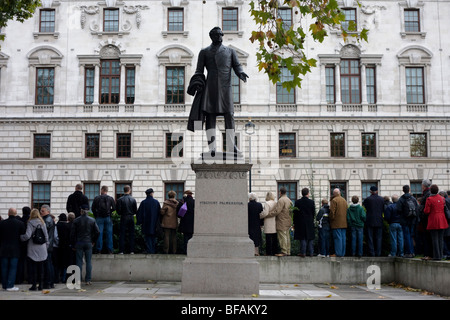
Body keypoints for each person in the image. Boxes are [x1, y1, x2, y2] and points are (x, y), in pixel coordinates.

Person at [188, 26, 248, 155]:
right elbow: (199, 70)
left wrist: (241, 73)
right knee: (210, 116)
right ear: (212, 37)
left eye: (221, 34)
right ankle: (212, 148)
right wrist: (197, 82)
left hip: (226, 88)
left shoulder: (230, 51)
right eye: (217, 35)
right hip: (210, 87)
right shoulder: (204, 52)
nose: (220, 37)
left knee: (230, 115)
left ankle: (232, 146)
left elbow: (237, 66)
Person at [70, 204, 100, 285]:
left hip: (79, 242)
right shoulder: (92, 220)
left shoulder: (76, 220)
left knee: (79, 262)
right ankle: (88, 280)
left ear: (81, 211)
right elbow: (97, 232)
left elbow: (72, 234)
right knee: (88, 261)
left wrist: (73, 244)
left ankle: (78, 280)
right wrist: (93, 241)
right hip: (88, 242)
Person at [20, 208, 49, 291]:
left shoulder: (30, 222)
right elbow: (46, 236)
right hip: (42, 247)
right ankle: (41, 285)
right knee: (41, 268)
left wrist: (21, 237)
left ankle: (34, 285)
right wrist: (46, 246)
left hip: (32, 248)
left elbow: (28, 235)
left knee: (33, 268)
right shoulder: (42, 222)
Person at [0, 208, 25, 291]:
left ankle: (4, 285)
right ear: (15, 213)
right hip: (15, 249)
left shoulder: (2, 223)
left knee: (4, 268)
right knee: (13, 268)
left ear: (8, 213)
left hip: (3, 249)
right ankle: (10, 285)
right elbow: (22, 237)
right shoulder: (20, 223)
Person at [423, 184, 449, 260]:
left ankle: (436, 256)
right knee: (441, 239)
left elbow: (426, 211)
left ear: (431, 191)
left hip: (433, 219)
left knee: (435, 239)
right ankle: (440, 255)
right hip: (442, 219)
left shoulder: (429, 199)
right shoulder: (442, 198)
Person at [266, 187, 293, 257]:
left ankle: (284, 251)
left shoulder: (281, 200)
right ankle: (288, 251)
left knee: (282, 237)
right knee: (287, 236)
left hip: (281, 221)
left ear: (280, 192)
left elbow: (277, 211)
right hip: (288, 220)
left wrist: (268, 214)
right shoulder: (289, 200)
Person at [396, 185, 419, 258]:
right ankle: (412, 252)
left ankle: (409, 252)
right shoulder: (413, 198)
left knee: (406, 236)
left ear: (403, 190)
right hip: (412, 220)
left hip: (404, 220)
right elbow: (417, 208)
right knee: (411, 236)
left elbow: (398, 210)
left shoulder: (401, 199)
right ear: (409, 190)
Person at [91, 185, 115, 254]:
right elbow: (114, 208)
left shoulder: (97, 198)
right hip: (108, 217)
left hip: (99, 217)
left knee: (99, 233)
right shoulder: (110, 198)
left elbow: (93, 208)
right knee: (109, 234)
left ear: (102, 190)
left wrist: (96, 215)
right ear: (106, 191)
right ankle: (110, 250)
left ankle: (99, 249)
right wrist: (109, 213)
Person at [137, 188, 161, 254]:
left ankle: (149, 250)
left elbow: (139, 213)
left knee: (147, 237)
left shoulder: (143, 202)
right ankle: (153, 250)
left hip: (146, 223)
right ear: (151, 193)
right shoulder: (156, 202)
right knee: (153, 237)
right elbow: (160, 213)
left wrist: (139, 222)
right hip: (154, 223)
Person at [293, 188, 316, 257]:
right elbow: (313, 212)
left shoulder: (297, 202)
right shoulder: (311, 202)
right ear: (308, 193)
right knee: (310, 237)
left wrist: (294, 222)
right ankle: (311, 252)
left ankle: (303, 252)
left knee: (303, 237)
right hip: (309, 221)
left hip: (300, 222)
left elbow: (295, 213)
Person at [362, 186, 384, 257]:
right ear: (377, 191)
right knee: (379, 238)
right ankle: (378, 253)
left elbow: (365, 207)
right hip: (379, 220)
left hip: (370, 220)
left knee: (370, 238)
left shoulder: (367, 199)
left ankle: (372, 253)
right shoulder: (381, 199)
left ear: (370, 191)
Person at [116, 185, 137, 254]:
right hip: (131, 217)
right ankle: (132, 250)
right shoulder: (133, 199)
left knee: (122, 234)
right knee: (131, 234)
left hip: (123, 217)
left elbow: (118, 211)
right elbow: (135, 210)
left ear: (123, 190)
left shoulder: (120, 199)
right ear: (129, 190)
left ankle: (121, 250)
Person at [329, 188, 348, 257]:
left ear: (334, 194)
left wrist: (331, 219)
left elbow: (332, 212)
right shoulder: (344, 200)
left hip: (336, 223)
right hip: (344, 222)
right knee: (343, 238)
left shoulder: (334, 200)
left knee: (337, 239)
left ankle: (338, 253)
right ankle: (342, 253)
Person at [40, 204, 55, 289]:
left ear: (48, 211)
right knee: (49, 264)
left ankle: (48, 282)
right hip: (49, 244)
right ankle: (50, 282)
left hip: (46, 245)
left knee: (47, 264)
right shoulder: (49, 219)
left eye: (43, 211)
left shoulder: (47, 220)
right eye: (41, 211)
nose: (41, 212)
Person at [418, 179, 433, 260]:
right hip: (426, 218)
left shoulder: (427, 194)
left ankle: (428, 254)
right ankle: (427, 254)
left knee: (427, 237)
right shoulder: (427, 193)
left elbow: (425, 207)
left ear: (423, 186)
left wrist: (421, 213)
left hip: (426, 219)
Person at [260, 192, 278, 256]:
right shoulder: (275, 203)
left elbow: (265, 213)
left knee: (268, 238)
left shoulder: (267, 203)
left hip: (268, 221)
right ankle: (275, 251)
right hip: (274, 221)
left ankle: (268, 252)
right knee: (274, 238)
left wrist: (259, 215)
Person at [16, 206, 31, 285]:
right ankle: (29, 278)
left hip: (21, 244)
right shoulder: (30, 221)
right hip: (30, 244)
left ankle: (20, 278)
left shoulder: (20, 221)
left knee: (21, 262)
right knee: (30, 262)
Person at [177, 190, 195, 254]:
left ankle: (185, 250)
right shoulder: (194, 201)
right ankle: (191, 251)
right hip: (192, 222)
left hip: (184, 222)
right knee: (191, 237)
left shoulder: (183, 201)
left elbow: (178, 212)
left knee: (185, 238)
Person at [55, 213, 72, 283]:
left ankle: (57, 278)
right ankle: (64, 278)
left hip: (59, 246)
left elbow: (55, 236)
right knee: (65, 263)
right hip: (67, 246)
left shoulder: (57, 225)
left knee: (58, 263)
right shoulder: (68, 226)